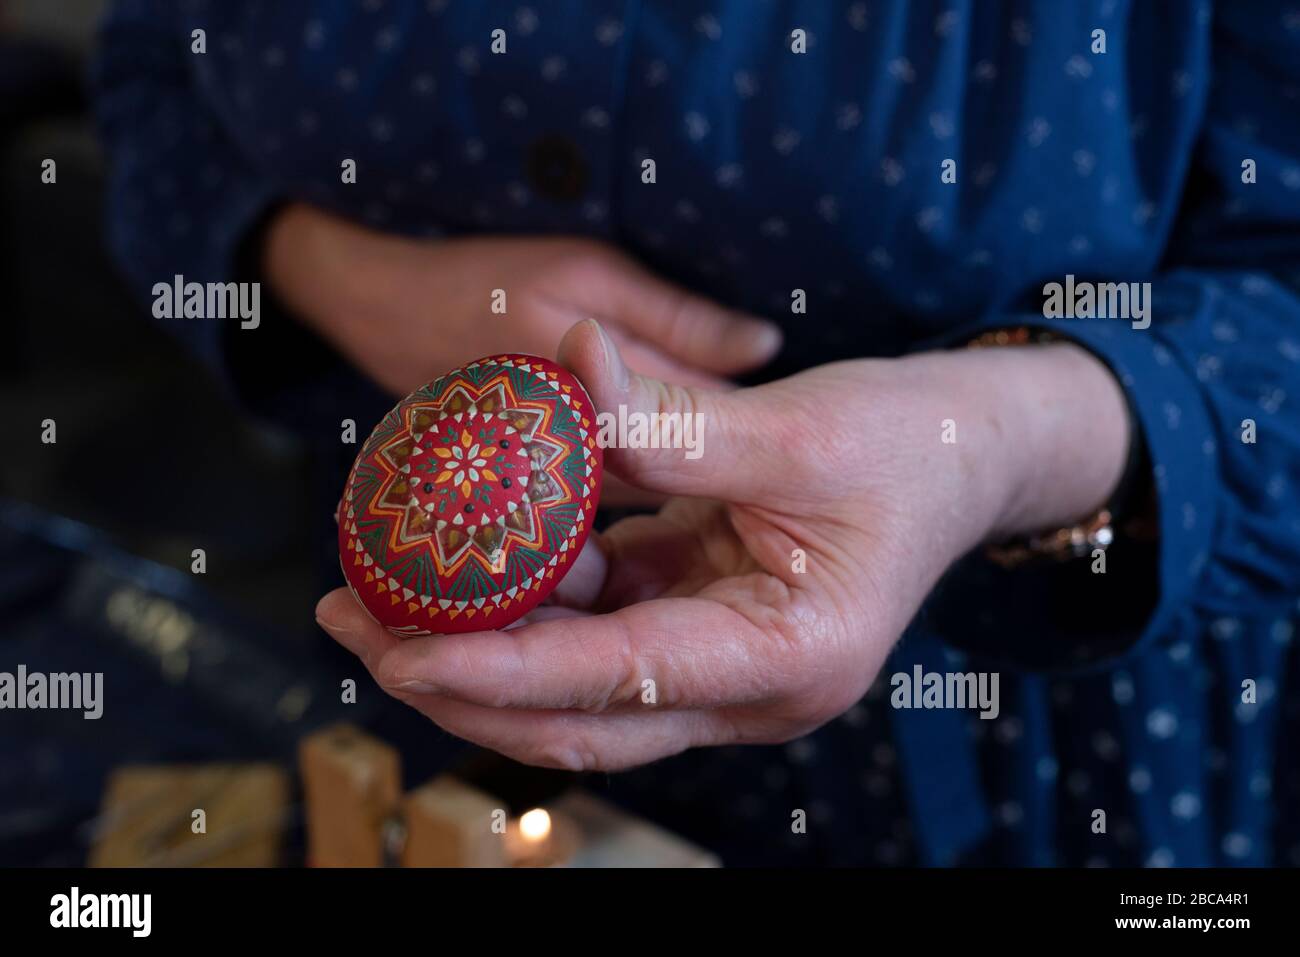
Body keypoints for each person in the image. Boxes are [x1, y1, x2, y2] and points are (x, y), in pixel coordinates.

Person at [94, 1, 1300, 867]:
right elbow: (156, 67)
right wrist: (327, 272)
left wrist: (995, 440)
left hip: (1027, 738)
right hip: (438, 707)